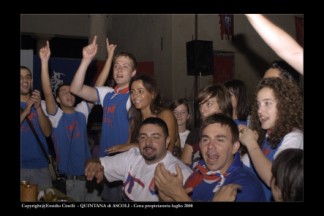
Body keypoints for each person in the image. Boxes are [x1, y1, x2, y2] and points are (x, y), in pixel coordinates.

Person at [39, 36, 110, 201]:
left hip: (90, 179)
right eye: (63, 92)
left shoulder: (81, 112)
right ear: (58, 100)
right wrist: (44, 62)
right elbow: (48, 92)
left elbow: (97, 88)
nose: (68, 93)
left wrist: (109, 58)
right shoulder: (56, 116)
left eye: (70, 91)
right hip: (71, 183)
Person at [70, 44, 136, 201]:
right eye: (116, 66)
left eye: (125, 66)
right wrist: (86, 60)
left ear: (133, 72)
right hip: (105, 166)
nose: (119, 70)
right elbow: (75, 89)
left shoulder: (133, 98)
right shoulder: (108, 94)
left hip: (124, 168)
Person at [154, 113, 266, 202]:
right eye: (205, 139)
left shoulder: (244, 185)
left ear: (234, 147)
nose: (210, 146)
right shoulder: (198, 174)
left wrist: (178, 195)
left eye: (220, 139)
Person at [85, 117, 192, 201]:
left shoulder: (180, 172)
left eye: (155, 137)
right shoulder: (133, 156)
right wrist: (94, 163)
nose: (148, 143)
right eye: (143, 137)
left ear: (167, 141)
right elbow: (99, 162)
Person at [239, 77, 303, 201]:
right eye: (258, 104)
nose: (259, 111)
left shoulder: (295, 137)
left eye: (267, 103)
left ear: (285, 105)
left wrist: (251, 144)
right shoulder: (265, 134)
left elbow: (275, 180)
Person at [180, 83, 233, 168]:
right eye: (201, 105)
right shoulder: (196, 133)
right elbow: (183, 165)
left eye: (209, 104)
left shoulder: (233, 132)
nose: (202, 110)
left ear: (223, 105)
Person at [20, 66, 53, 190]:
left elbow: (47, 133)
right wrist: (26, 111)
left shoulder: (42, 104)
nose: (25, 80)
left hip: (40, 167)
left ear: (31, 81)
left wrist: (38, 107)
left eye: (28, 77)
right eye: (20, 77)